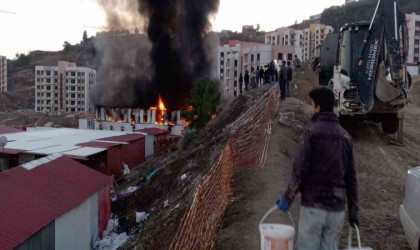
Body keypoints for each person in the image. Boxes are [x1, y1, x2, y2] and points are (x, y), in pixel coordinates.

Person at [277, 86, 359, 250]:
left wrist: (287, 198)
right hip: (337, 210)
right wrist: (353, 211)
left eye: (312, 104)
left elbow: (300, 170)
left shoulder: (311, 132)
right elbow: (351, 179)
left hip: (314, 207)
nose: (311, 108)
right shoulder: (345, 137)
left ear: (318, 107)